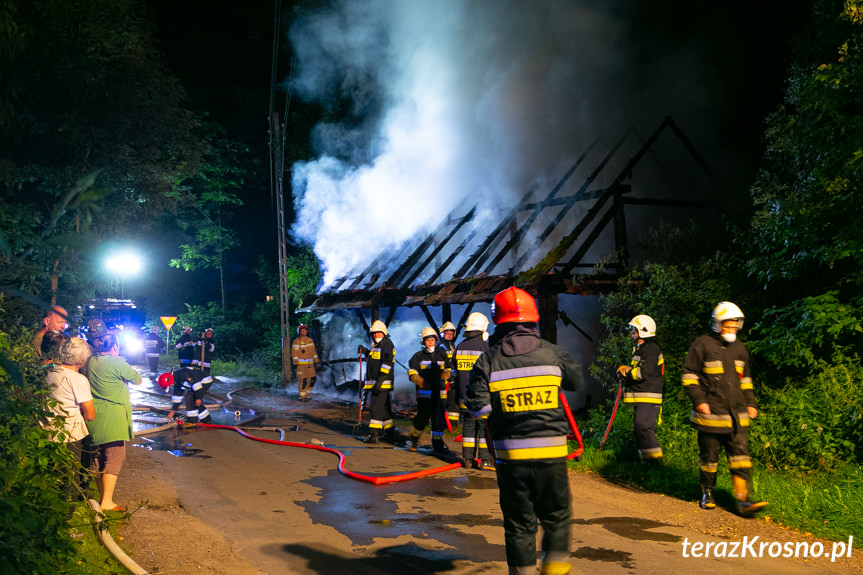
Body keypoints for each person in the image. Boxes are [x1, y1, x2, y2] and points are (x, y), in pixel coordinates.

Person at [466, 286, 582, 575]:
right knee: (556, 517)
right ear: (533, 319)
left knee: (519, 525)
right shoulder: (552, 353)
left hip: (511, 459)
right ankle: (554, 570)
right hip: (552, 456)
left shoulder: (488, 360)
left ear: (498, 322)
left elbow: (478, 410)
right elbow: (576, 382)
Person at [683, 301, 768, 517]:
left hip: (737, 416)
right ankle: (707, 493)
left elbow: (746, 380)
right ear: (717, 324)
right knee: (709, 458)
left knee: (741, 457)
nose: (732, 330)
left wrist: (750, 404)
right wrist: (699, 400)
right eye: (727, 326)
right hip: (711, 416)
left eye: (734, 326)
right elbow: (689, 376)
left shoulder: (740, 349)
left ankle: (743, 500)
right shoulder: (701, 345)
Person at [85, 333, 143, 512]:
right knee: (114, 458)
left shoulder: (90, 362)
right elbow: (138, 379)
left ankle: (101, 497)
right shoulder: (117, 363)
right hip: (114, 420)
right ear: (115, 347)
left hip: (94, 418)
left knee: (97, 458)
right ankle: (107, 502)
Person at [45, 337, 95, 499]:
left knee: (53, 473)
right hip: (69, 433)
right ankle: (67, 514)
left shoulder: (51, 372)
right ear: (81, 360)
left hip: (48, 429)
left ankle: (51, 507)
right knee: (70, 475)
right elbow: (90, 414)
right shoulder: (78, 379)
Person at [616, 315, 664, 463]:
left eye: (635, 330)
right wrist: (623, 373)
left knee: (643, 427)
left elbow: (643, 372)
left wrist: (628, 372)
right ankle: (646, 462)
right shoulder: (640, 350)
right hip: (641, 396)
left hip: (648, 396)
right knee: (639, 428)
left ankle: (655, 464)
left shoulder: (651, 349)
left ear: (644, 331)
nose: (632, 334)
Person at [454, 312, 492, 470]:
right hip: (482, 396)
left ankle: (468, 460)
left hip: (464, 395)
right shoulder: (486, 347)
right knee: (484, 428)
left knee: (468, 427)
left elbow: (455, 374)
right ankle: (485, 461)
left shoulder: (460, 346)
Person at [406, 327, 452, 454]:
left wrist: (446, 374)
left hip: (439, 393)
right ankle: (414, 439)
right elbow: (411, 371)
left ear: (435, 340)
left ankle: (438, 443)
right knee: (422, 418)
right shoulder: (418, 356)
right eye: (427, 340)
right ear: (423, 342)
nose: (430, 342)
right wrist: (418, 380)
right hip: (424, 394)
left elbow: (449, 368)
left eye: (432, 340)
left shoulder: (442, 354)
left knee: (439, 419)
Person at [359, 320, 395, 444]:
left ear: (383, 333)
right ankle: (390, 433)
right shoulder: (377, 345)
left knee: (375, 408)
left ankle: (373, 436)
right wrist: (366, 352)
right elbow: (376, 360)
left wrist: (379, 381)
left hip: (381, 383)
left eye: (378, 332)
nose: (375, 335)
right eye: (374, 333)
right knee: (384, 409)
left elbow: (386, 364)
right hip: (378, 383)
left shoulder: (387, 344)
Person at [439, 321, 460, 429]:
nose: (449, 334)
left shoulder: (451, 345)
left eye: (451, 333)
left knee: (452, 401)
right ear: (443, 334)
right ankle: (451, 426)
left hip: (452, 379)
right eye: (447, 333)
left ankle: (452, 425)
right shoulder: (442, 346)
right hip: (446, 380)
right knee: (450, 402)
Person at [292, 323, 320, 401]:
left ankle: (307, 394)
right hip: (300, 366)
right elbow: (294, 353)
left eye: (305, 330)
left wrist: (317, 361)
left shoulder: (310, 340)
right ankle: (302, 396)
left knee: (313, 379)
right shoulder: (296, 342)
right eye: (302, 330)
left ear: (307, 331)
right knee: (303, 381)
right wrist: (295, 363)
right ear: (299, 332)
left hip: (310, 365)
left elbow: (313, 352)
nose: (304, 332)